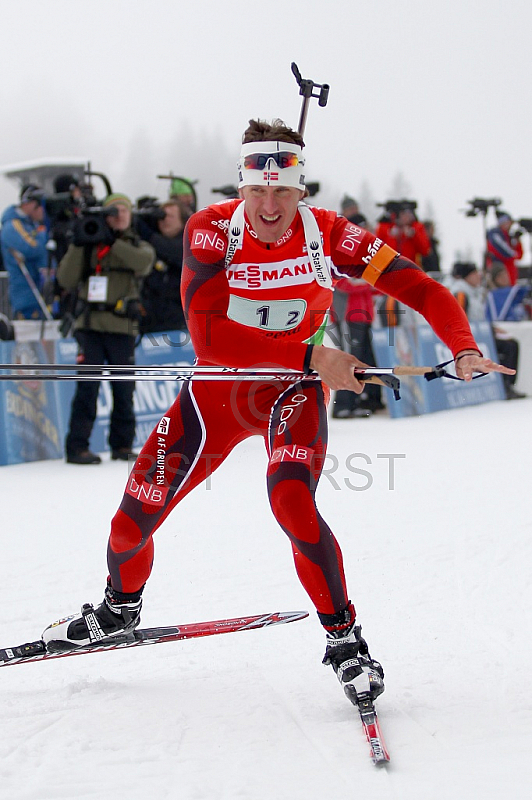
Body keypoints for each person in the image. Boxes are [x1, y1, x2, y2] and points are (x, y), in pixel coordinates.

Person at [42, 119, 513, 708]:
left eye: (283, 192)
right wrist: (315, 354)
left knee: (291, 499)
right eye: (257, 191)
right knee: (128, 525)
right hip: (220, 392)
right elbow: (210, 337)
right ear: (240, 188)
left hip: (292, 391)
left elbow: (419, 287)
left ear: (301, 190)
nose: (269, 205)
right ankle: (119, 607)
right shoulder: (211, 231)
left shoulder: (331, 235)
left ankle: (346, 643)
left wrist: (463, 345)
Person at [57, 193, 155, 464]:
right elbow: (65, 278)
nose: (119, 216)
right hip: (89, 326)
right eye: (113, 211)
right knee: (87, 387)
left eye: (124, 210)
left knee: (124, 389)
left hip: (122, 326)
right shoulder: (88, 243)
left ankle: (122, 445)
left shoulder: (137, 244)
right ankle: (77, 447)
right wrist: (80, 242)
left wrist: (112, 243)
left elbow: (143, 263)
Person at [450, 261, 525, 400]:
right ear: (467, 277)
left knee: (511, 344)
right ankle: (505, 385)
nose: (478, 276)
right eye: (474, 273)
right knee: (508, 347)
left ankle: (507, 385)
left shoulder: (474, 292)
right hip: (471, 338)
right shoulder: (461, 293)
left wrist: (490, 328)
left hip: (480, 334)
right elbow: (459, 319)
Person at [137, 200, 186, 333]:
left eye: (170, 216)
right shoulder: (148, 246)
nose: (165, 220)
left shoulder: (191, 241)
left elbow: (174, 251)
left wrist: (146, 232)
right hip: (151, 322)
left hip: (181, 323)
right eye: (161, 217)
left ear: (182, 220)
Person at [0, 184, 49, 319]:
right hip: (26, 296)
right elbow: (34, 248)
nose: (42, 210)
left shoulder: (30, 225)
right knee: (30, 337)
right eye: (39, 205)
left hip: (40, 294)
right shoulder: (12, 226)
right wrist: (42, 232)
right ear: (29, 204)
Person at [486, 211, 523, 285]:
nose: (510, 225)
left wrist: (517, 241)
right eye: (509, 222)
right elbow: (508, 253)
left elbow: (519, 255)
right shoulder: (495, 235)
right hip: (500, 278)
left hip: (511, 277)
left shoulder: (508, 237)